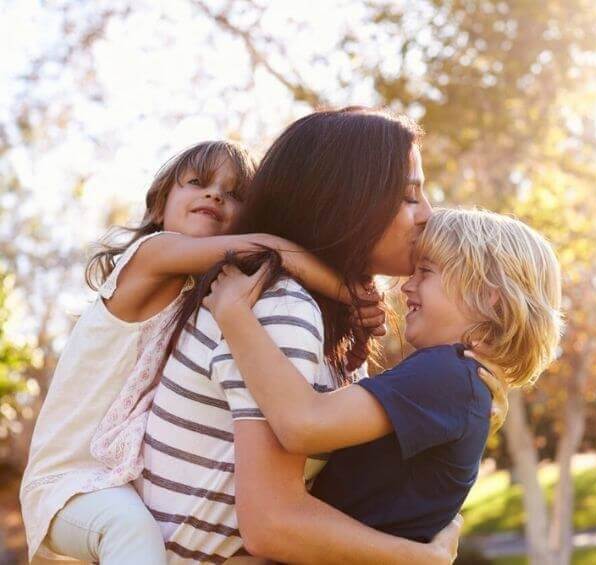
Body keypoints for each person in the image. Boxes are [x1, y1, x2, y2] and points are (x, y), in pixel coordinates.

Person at [20, 140, 374, 564]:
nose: (215, 195)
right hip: (68, 482)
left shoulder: (203, 296)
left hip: (117, 480)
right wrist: (352, 296)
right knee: (130, 531)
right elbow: (267, 249)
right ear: (157, 208)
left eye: (234, 193)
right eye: (198, 183)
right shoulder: (148, 256)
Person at [140, 108, 470, 563]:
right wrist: (422, 559)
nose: (427, 214)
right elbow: (273, 526)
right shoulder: (281, 306)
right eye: (409, 195)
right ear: (348, 200)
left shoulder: (313, 312)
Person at [204, 207, 564, 542]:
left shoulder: (447, 373)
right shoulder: (462, 382)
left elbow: (303, 424)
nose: (406, 286)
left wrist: (234, 314)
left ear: (489, 298)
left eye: (426, 272)